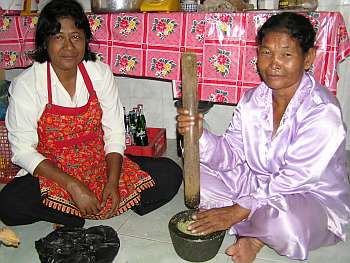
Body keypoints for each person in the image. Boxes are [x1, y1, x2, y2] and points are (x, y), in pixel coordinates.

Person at [177, 12, 350, 263]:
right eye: (266, 53)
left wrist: (237, 210)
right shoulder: (252, 101)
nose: (274, 63)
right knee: (198, 175)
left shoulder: (322, 111)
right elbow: (231, 152)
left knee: (284, 225)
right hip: (257, 183)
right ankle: (252, 219)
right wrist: (199, 135)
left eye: (286, 54)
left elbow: (295, 178)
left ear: (308, 58)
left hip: (307, 195)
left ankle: (255, 237)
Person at [0, 0, 182, 227]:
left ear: (85, 40)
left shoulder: (99, 73)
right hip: (54, 173)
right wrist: (74, 186)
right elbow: (23, 151)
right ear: (45, 42)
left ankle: (72, 212)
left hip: (99, 164)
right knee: (8, 204)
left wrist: (113, 181)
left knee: (170, 173)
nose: (68, 47)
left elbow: (114, 131)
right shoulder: (27, 84)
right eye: (58, 37)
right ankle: (76, 208)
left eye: (76, 36)